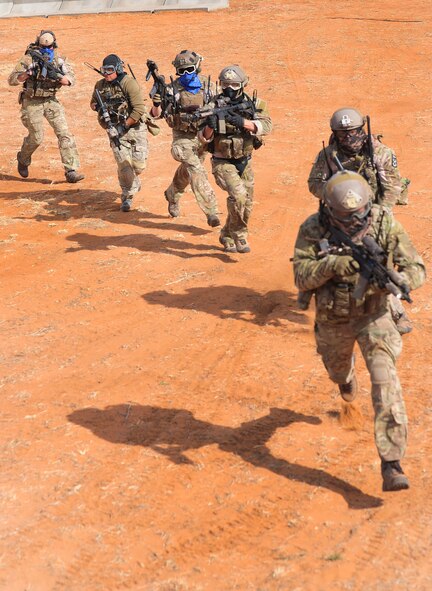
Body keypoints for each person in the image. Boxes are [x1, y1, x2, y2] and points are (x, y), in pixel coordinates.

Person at [293, 171, 425, 492]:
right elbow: (301, 276)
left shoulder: (383, 223)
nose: (353, 221)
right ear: (329, 209)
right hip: (333, 318)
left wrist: (399, 281)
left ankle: (391, 464)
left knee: (386, 383)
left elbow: (416, 267)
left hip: (375, 315)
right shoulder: (313, 228)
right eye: (344, 216)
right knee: (338, 373)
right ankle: (346, 377)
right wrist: (331, 267)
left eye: (358, 214)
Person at [307, 107, 412, 333]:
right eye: (342, 133)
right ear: (334, 133)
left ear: (362, 129)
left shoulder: (381, 153)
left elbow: (393, 186)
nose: (349, 138)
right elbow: (314, 183)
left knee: (377, 263)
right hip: (339, 216)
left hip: (375, 213)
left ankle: (397, 313)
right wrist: (334, 191)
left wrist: (380, 214)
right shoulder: (328, 155)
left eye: (353, 132)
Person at [199, 65, 272, 253]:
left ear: (243, 85)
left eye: (234, 85)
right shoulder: (212, 106)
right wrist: (210, 126)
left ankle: (226, 234)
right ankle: (240, 236)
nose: (229, 89)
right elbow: (202, 138)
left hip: (245, 160)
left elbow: (267, 126)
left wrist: (243, 123)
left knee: (246, 205)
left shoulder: (255, 103)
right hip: (222, 160)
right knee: (238, 196)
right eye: (225, 85)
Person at [148, 50, 220, 227]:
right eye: (181, 71)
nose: (185, 74)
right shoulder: (171, 90)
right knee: (196, 170)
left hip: (204, 136)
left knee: (188, 171)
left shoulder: (209, 86)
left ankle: (172, 194)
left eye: (189, 69)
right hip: (182, 138)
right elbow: (155, 115)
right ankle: (211, 211)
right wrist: (157, 104)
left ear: (197, 68)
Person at [8, 30, 84, 183]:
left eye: (49, 48)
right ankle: (23, 159)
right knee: (36, 137)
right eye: (43, 47)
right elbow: (12, 79)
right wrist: (26, 75)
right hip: (32, 101)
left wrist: (62, 78)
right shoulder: (29, 59)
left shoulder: (59, 60)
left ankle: (71, 170)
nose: (46, 50)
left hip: (50, 100)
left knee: (64, 133)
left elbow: (71, 79)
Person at [90, 54, 153, 212]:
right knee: (123, 165)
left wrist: (125, 126)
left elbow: (139, 109)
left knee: (139, 166)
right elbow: (92, 102)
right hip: (114, 130)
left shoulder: (129, 84)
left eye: (110, 70)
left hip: (134, 128)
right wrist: (99, 107)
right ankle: (127, 196)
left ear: (118, 69)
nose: (106, 74)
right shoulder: (100, 85)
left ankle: (134, 180)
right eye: (104, 70)